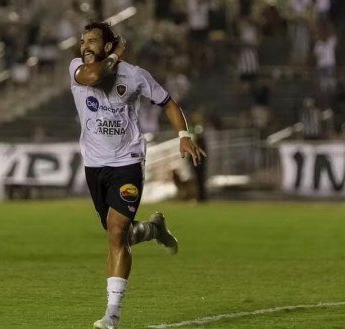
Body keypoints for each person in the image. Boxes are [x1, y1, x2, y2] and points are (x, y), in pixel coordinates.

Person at [69, 22, 206, 329]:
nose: (85, 46)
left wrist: (183, 134)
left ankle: (112, 314)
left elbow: (168, 103)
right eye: (83, 41)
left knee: (117, 233)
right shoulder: (77, 68)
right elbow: (95, 75)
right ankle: (154, 230)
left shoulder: (135, 76)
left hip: (127, 162)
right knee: (121, 234)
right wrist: (115, 55)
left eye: (92, 41)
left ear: (107, 45)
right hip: (95, 165)